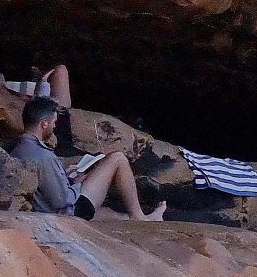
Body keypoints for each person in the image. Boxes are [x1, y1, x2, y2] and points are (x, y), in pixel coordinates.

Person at [11, 94, 166, 222]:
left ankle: (132, 218)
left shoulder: (17, 150)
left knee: (110, 213)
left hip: (47, 210)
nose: (55, 126)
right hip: (66, 213)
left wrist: (64, 176)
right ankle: (140, 217)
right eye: (53, 122)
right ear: (44, 124)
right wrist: (77, 183)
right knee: (117, 158)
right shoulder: (43, 156)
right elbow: (62, 201)